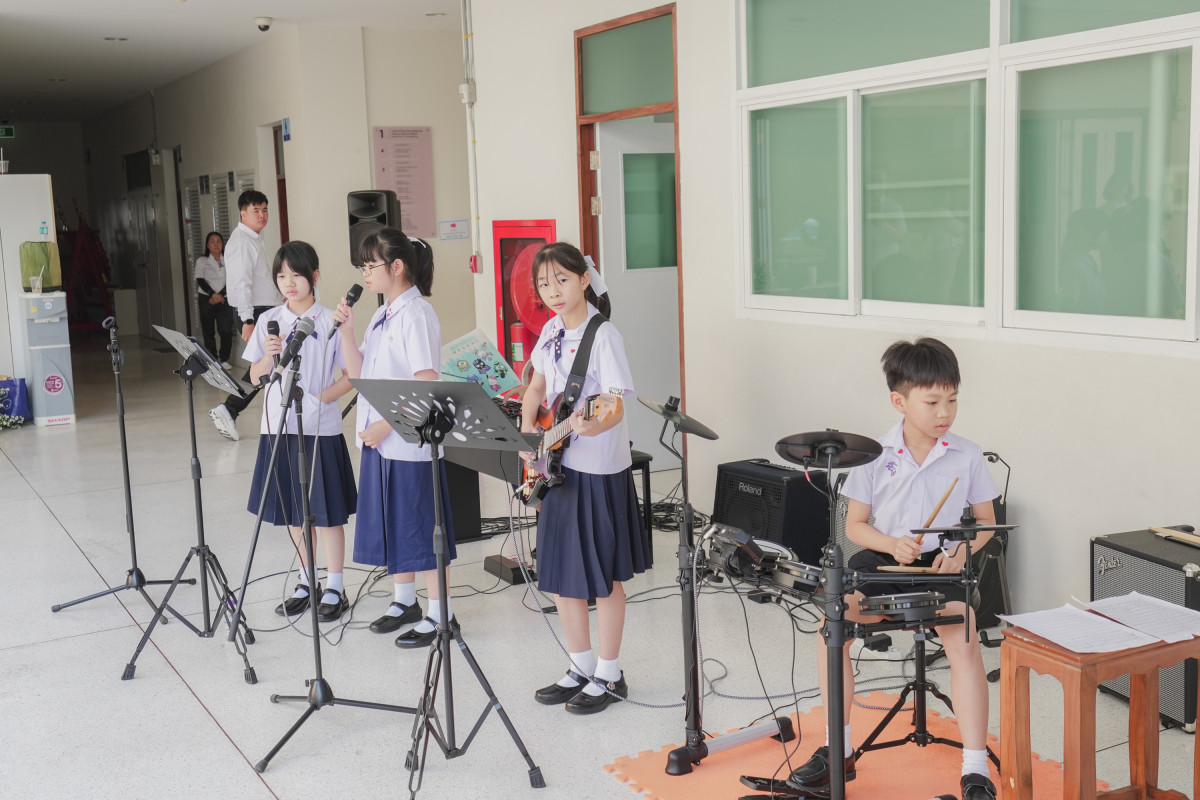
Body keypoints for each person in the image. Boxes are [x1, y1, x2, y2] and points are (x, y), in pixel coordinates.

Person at [788, 337, 999, 800]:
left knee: (963, 638)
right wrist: (891, 544)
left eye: (952, 400)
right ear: (899, 401)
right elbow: (856, 526)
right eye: (933, 402)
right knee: (831, 625)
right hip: (882, 561)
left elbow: (986, 522)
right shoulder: (870, 454)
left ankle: (975, 767)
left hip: (941, 566)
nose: (945, 412)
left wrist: (962, 552)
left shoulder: (967, 453)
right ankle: (838, 748)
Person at [519, 242, 649, 715]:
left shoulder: (604, 335)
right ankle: (580, 665)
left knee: (604, 576)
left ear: (584, 280)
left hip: (597, 471)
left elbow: (613, 403)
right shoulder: (551, 330)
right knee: (560, 573)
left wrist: (593, 425)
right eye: (543, 283)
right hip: (557, 468)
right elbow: (536, 385)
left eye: (561, 280)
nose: (552, 291)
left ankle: (610, 675)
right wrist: (529, 429)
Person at [333, 229, 457, 648]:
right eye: (363, 266)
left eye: (371, 265)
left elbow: (427, 383)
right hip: (379, 442)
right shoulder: (382, 314)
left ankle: (441, 614)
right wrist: (347, 333)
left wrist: (386, 424)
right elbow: (360, 376)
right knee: (395, 525)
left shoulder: (417, 314)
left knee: (420, 528)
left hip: (407, 442)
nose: (365, 273)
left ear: (397, 267)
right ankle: (405, 601)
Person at [243, 241, 357, 622]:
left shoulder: (329, 321)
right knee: (295, 512)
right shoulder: (268, 320)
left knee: (327, 513)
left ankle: (336, 586)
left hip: (319, 429)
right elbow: (254, 377)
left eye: (296, 275)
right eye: (281, 276)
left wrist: (322, 398)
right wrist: (267, 355)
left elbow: (350, 376)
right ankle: (308, 581)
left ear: (314, 276)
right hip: (279, 427)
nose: (288, 283)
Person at [210, 189, 280, 441]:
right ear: (243, 213)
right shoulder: (241, 242)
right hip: (254, 313)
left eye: (264, 209)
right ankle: (229, 408)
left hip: (264, 310)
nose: (262, 215)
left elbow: (260, 279)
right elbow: (241, 285)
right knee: (263, 366)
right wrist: (247, 320)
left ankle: (231, 409)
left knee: (267, 365)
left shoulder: (254, 238)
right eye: (255, 210)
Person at [194, 231, 236, 368]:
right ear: (207, 245)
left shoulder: (228, 259)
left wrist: (220, 295)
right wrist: (213, 294)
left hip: (225, 299)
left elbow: (232, 279)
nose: (216, 244)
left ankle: (224, 359)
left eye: (218, 241)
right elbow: (200, 280)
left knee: (226, 330)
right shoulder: (202, 261)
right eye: (212, 241)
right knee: (208, 331)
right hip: (206, 299)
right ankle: (211, 359)